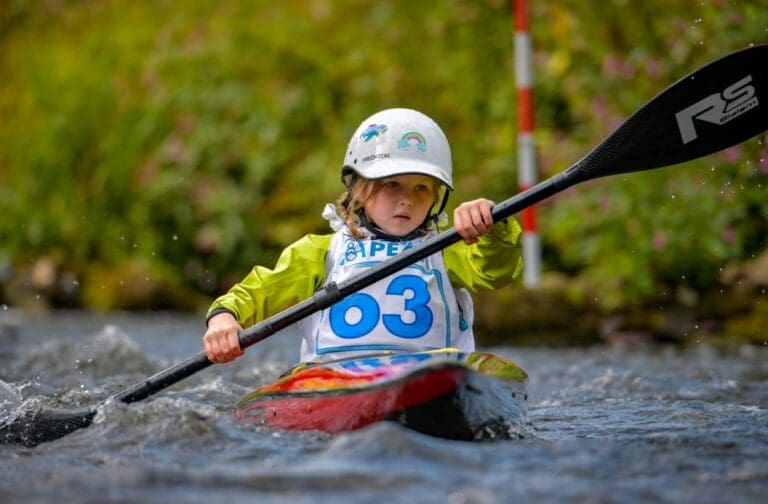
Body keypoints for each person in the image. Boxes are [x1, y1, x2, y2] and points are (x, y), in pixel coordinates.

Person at [203, 108, 522, 364]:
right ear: (359, 189)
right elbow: (260, 291)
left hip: (433, 378)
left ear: (437, 196)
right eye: (391, 184)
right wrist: (224, 318)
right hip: (335, 385)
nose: (407, 199)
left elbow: (494, 273)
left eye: (421, 187)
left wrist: (492, 228)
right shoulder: (320, 253)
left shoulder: (447, 248)